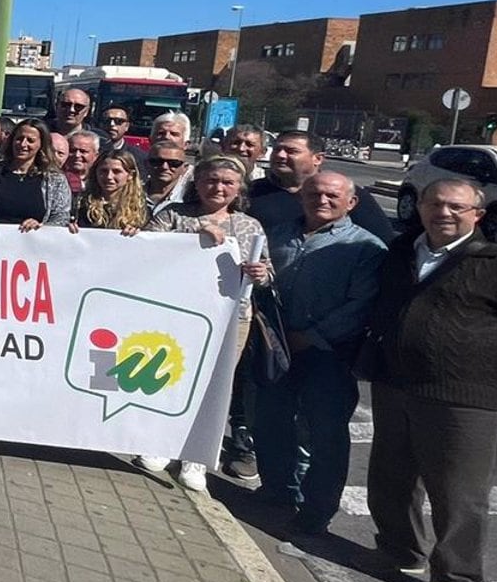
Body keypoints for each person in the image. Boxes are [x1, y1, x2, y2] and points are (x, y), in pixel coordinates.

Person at [361, 178, 497, 582]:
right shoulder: (403, 252)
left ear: (477, 215)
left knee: (458, 492)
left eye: (457, 208)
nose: (444, 213)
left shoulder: (496, 263)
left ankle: (458, 579)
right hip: (396, 383)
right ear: (420, 207)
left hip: (465, 396)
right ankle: (400, 551)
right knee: (392, 476)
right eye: (435, 204)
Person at [258, 172, 386, 535]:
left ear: (352, 203)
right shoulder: (279, 234)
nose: (323, 200)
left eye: (332, 195)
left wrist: (312, 336)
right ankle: (276, 491)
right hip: (277, 347)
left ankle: (317, 510)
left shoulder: (366, 247)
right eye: (315, 193)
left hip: (329, 354)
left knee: (325, 435)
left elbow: (360, 304)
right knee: (272, 421)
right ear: (302, 196)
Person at [139, 155, 273, 490]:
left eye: (227, 182)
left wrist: (261, 274)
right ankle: (162, 442)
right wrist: (197, 235)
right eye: (211, 180)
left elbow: (266, 272)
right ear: (196, 183)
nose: (218, 187)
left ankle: (196, 456)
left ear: (239, 188)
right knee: (168, 377)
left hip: (230, 320)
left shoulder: (249, 225)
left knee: (215, 386)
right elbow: (146, 251)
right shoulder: (173, 215)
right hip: (175, 313)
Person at [248, 131, 394, 245]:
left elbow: (382, 241)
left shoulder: (344, 193)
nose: (280, 155)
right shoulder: (252, 191)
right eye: (277, 149)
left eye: (291, 151)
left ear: (317, 158)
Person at [0, 119, 70, 231]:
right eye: (19, 139)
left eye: (30, 140)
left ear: (41, 145)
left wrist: (41, 227)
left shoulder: (54, 179)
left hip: (33, 244)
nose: (23, 144)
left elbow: (61, 216)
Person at [71, 152, 146, 236]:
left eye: (116, 171)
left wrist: (137, 232)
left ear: (130, 175)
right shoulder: (79, 204)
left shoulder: (141, 208)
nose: (109, 177)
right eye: (104, 171)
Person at [144, 141, 193, 216]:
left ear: (184, 168)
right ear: (146, 164)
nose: (164, 167)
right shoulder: (130, 193)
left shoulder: (191, 198)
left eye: (173, 163)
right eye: (157, 161)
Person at [62, 131, 100, 196]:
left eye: (83, 151)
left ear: (95, 155)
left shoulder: (100, 180)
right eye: (72, 150)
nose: (77, 155)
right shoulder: (58, 178)